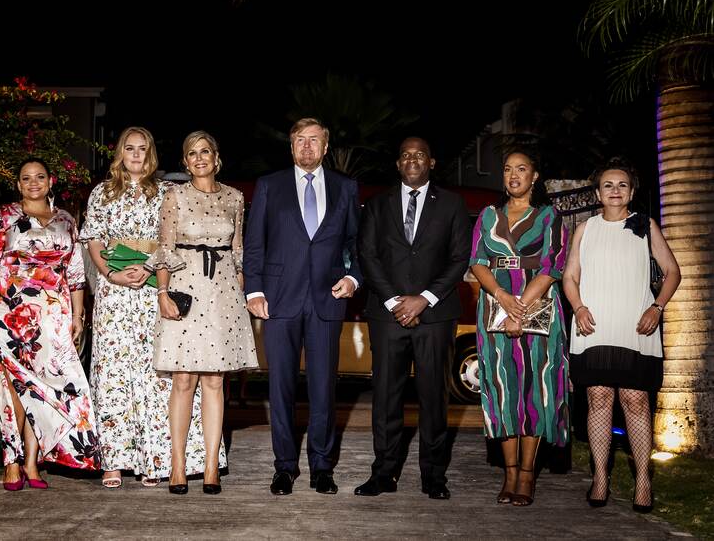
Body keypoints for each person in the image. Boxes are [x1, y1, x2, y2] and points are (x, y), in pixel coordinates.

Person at [81, 127, 218, 488]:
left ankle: (152, 459)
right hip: (114, 292)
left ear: (151, 153)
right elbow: (93, 241)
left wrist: (149, 269)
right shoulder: (102, 193)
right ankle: (112, 461)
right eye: (130, 148)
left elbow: (172, 240)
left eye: (143, 148)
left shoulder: (166, 192)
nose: (136, 154)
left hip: (153, 286)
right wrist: (110, 272)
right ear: (120, 153)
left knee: (155, 374)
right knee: (112, 372)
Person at [243, 117, 362, 496]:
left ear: (326, 147)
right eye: (300, 140)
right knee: (280, 387)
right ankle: (284, 467)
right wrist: (254, 291)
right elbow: (255, 244)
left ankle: (322, 467)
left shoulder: (345, 188)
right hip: (279, 300)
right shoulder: (269, 186)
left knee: (324, 387)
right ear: (291, 146)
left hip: (327, 299)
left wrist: (354, 278)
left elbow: (356, 244)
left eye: (314, 140)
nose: (307, 147)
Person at [354, 137, 471, 500]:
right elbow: (368, 255)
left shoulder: (452, 204)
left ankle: (433, 475)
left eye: (419, 154)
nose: (412, 160)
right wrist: (394, 301)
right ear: (398, 163)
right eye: (405, 155)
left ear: (431, 162)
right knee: (385, 397)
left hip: (435, 315)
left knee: (434, 397)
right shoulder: (377, 204)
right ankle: (383, 473)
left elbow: (458, 258)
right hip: (386, 315)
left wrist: (423, 299)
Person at [563, 158, 680, 513]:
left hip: (636, 326)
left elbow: (673, 272)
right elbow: (570, 276)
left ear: (631, 191)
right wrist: (579, 307)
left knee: (636, 401)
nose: (615, 191)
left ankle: (643, 479)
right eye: (608, 185)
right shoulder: (585, 229)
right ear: (598, 192)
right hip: (593, 326)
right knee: (598, 399)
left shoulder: (645, 225)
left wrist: (656, 308)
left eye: (622, 185)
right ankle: (600, 477)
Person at [0, 158, 100, 490]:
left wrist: (77, 317)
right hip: (10, 315)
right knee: (14, 386)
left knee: (48, 388)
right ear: (18, 184)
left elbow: (75, 277)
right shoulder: (0, 218)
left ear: (50, 181)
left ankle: (33, 463)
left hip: (53, 318)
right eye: (26, 178)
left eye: (39, 177)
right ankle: (11, 462)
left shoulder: (66, 220)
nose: (33, 183)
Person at [150, 130, 258, 495]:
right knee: (184, 380)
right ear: (185, 161)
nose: (199, 158)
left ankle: (212, 465)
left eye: (205, 152)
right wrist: (163, 292)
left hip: (223, 292)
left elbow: (239, 251)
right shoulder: (174, 195)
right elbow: (165, 248)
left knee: (215, 381)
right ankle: (178, 465)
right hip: (186, 287)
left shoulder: (235, 198)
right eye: (192, 153)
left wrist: (240, 294)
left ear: (216, 157)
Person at [469, 148, 569, 506]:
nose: (514, 175)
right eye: (508, 169)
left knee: (535, 394)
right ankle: (508, 474)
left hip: (538, 308)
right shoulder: (487, 215)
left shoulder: (549, 216)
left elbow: (552, 266)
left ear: (534, 176)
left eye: (522, 169)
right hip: (494, 308)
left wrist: (520, 308)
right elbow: (477, 262)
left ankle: (527, 476)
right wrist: (501, 297)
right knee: (502, 393)